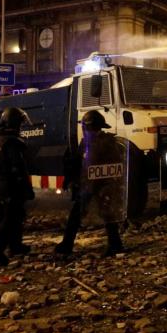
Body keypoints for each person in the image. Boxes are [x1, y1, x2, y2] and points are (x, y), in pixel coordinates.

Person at [55, 110, 124, 258]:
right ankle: (67, 244)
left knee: (105, 215)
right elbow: (79, 163)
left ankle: (115, 245)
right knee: (96, 215)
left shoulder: (104, 142)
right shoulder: (93, 142)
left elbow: (113, 164)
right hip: (92, 185)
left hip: (99, 186)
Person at [0, 107, 34, 266]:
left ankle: (15, 245)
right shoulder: (13, 142)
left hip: (3, 184)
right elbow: (19, 167)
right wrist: (26, 188)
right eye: (20, 122)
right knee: (9, 218)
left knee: (11, 215)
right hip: (13, 186)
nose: (21, 126)